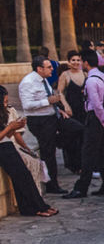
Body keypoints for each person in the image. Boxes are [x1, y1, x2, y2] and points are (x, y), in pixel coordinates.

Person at [65, 49, 104, 199]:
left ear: (86, 63)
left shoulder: (90, 80)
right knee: (103, 152)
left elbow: (96, 105)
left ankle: (82, 187)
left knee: (88, 153)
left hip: (95, 118)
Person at [20, 55, 77, 194]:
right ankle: (52, 185)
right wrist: (48, 101)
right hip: (40, 121)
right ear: (39, 69)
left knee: (78, 129)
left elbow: (50, 97)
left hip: (53, 116)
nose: (52, 69)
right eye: (49, 67)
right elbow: (27, 105)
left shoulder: (44, 80)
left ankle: (59, 141)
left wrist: (58, 109)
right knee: (48, 153)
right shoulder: (28, 82)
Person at [0, 87, 57, 216]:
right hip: (3, 149)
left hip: (7, 146)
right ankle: (39, 207)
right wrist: (10, 127)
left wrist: (14, 128)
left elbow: (6, 136)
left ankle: (31, 208)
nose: (5, 104)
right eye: (3, 101)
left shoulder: (3, 112)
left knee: (23, 176)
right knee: (22, 176)